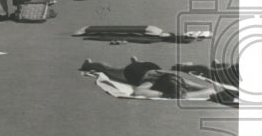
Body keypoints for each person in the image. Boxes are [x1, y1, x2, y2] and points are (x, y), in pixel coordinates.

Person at [79, 57, 234, 101]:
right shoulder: (152, 81)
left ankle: (138, 61)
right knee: (109, 69)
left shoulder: (180, 80)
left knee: (113, 67)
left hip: (152, 65)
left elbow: (211, 89)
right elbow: (137, 91)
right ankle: (90, 64)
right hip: (132, 71)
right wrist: (161, 95)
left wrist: (187, 94)